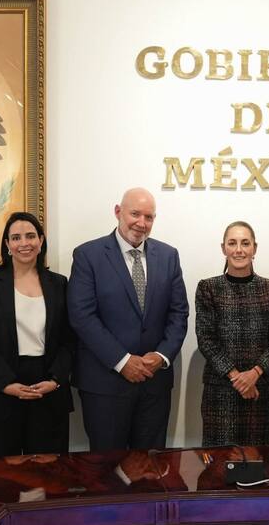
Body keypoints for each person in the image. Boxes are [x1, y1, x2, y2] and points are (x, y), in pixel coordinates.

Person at [68, 188, 188, 451]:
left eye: (149, 217)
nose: (141, 223)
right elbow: (82, 316)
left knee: (151, 469)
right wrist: (122, 361)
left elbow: (179, 313)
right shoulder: (88, 255)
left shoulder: (169, 256)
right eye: (135, 214)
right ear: (118, 212)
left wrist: (163, 356)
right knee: (106, 471)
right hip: (105, 384)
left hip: (154, 384)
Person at [0, 212, 74, 458]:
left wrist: (56, 379)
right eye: (15, 238)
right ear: (7, 244)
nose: (24, 243)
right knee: (0, 479)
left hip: (47, 389)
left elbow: (69, 340)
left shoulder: (59, 284)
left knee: (46, 479)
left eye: (30, 236)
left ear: (41, 240)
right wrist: (6, 384)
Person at [195, 221, 269, 447]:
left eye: (245, 243)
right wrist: (237, 377)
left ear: (254, 248)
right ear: (223, 248)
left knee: (257, 461)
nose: (239, 249)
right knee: (218, 464)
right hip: (220, 390)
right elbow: (206, 339)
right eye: (232, 243)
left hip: (259, 390)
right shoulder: (208, 288)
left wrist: (254, 374)